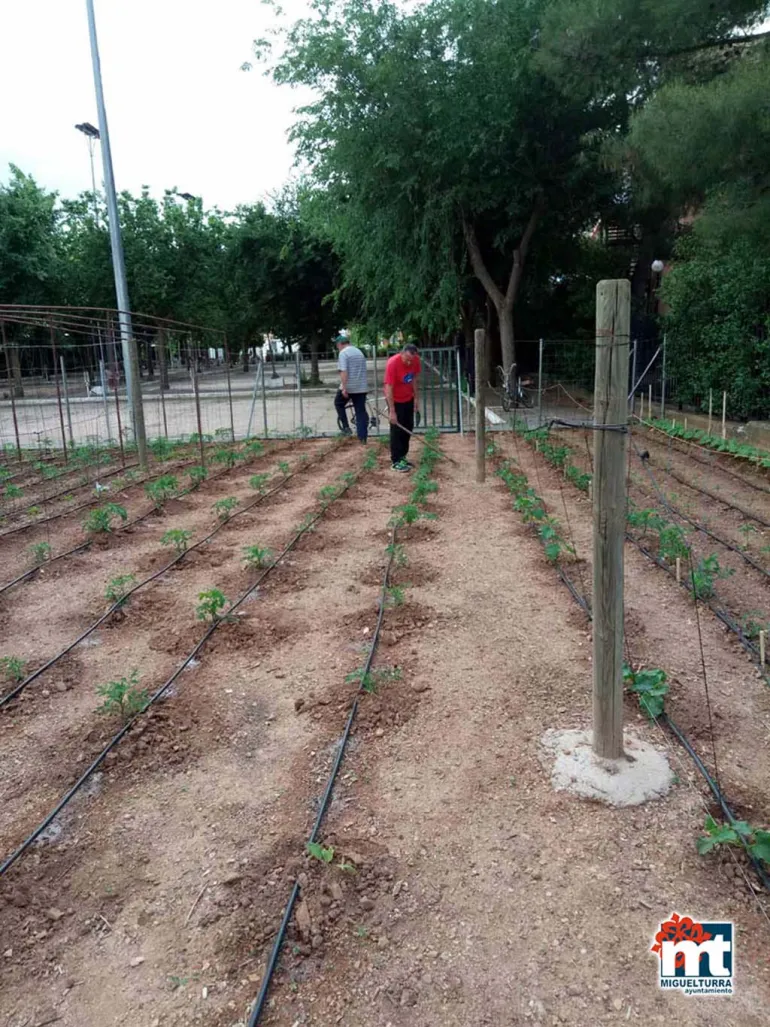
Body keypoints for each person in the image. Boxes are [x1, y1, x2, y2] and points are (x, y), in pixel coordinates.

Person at [384, 343, 421, 471]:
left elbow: (414, 379)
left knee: (407, 427)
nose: (409, 363)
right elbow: (389, 388)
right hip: (395, 400)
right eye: (407, 359)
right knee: (396, 430)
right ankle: (395, 460)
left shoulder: (415, 360)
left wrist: (416, 398)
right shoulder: (392, 363)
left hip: (408, 398)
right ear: (402, 353)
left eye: (412, 360)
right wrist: (392, 411)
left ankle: (403, 457)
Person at [333, 333, 369, 443]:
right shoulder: (359, 352)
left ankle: (346, 428)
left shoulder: (343, 353)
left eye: (337, 346)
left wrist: (344, 388)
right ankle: (362, 438)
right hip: (362, 387)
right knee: (360, 412)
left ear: (340, 344)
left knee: (338, 403)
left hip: (349, 386)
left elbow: (343, 371)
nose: (338, 349)